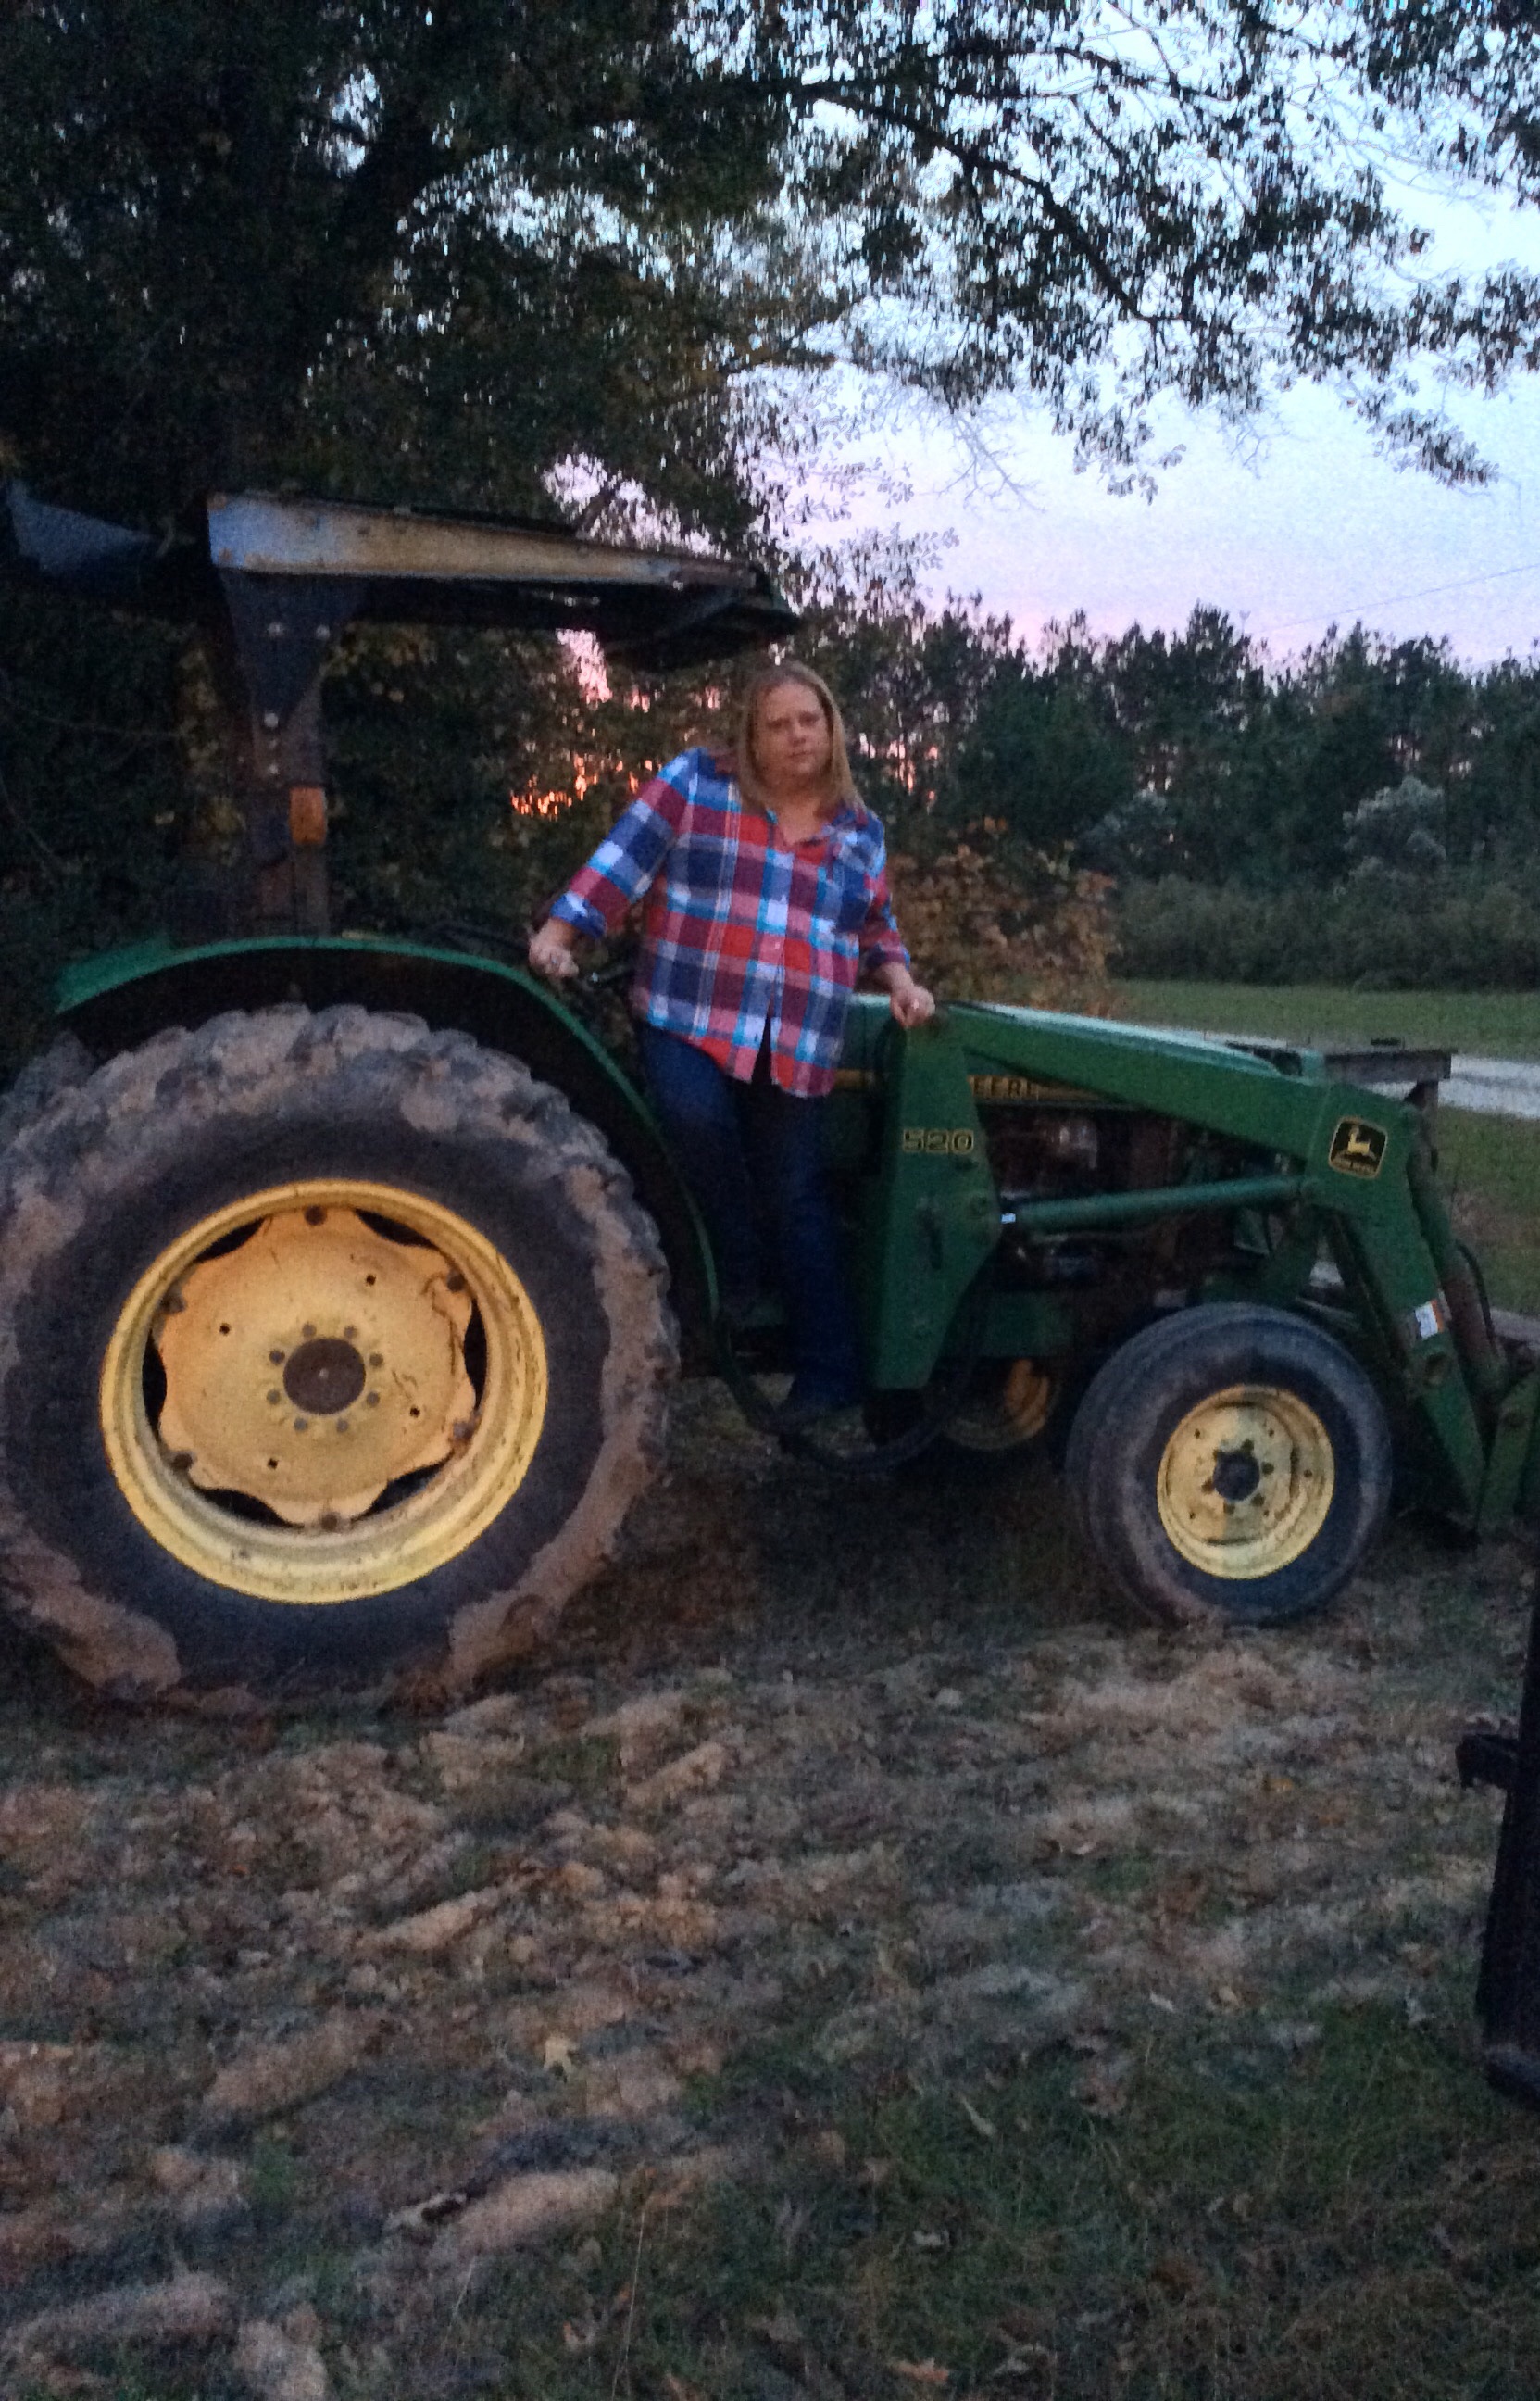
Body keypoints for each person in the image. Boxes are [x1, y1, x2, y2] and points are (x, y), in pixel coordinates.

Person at [529, 661, 935, 1421]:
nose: (796, 736)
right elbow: (623, 860)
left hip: (800, 1036)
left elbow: (875, 926)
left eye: (808, 721)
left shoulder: (858, 830)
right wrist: (560, 934)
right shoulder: (695, 785)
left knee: (799, 1197)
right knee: (692, 1119)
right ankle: (736, 1269)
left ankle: (827, 1376)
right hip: (690, 1010)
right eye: (778, 725)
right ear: (751, 736)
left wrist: (903, 984)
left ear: (831, 727)